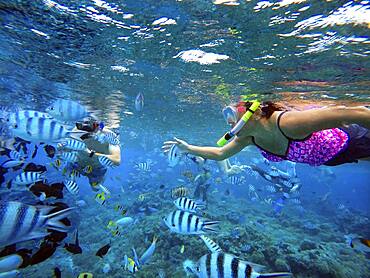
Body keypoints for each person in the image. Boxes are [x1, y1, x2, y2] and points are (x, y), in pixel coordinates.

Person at [163, 101, 370, 167]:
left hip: (353, 139)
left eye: (236, 110)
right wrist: (188, 148)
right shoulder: (249, 138)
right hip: (334, 158)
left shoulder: (287, 123)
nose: (229, 118)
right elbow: (220, 154)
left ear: (257, 112)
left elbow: (353, 113)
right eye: (227, 116)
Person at [60, 119, 121, 191]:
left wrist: (93, 154)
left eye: (95, 124)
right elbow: (65, 149)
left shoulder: (109, 136)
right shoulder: (77, 130)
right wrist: (62, 148)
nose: (89, 126)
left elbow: (117, 160)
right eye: (86, 123)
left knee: (95, 189)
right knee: (68, 184)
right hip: (76, 164)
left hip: (97, 169)